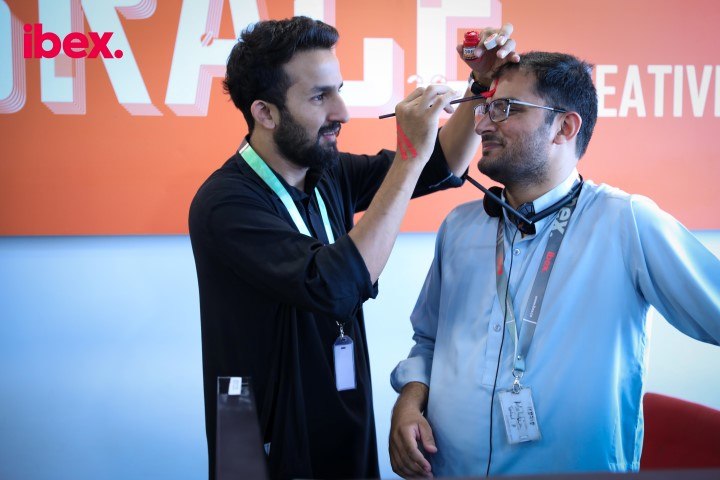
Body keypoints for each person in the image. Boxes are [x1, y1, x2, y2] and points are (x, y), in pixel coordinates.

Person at [189, 16, 519, 479]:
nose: (342, 111)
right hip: (258, 426)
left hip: (338, 402)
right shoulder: (225, 203)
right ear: (265, 112)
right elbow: (335, 285)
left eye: (339, 90)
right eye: (319, 96)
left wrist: (480, 85)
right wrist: (408, 155)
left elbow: (442, 163)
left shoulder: (326, 170)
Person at [389, 51, 720, 478]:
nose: (482, 124)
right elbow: (428, 340)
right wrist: (409, 401)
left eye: (505, 109)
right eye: (486, 108)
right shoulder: (459, 226)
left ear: (565, 127)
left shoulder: (626, 222)